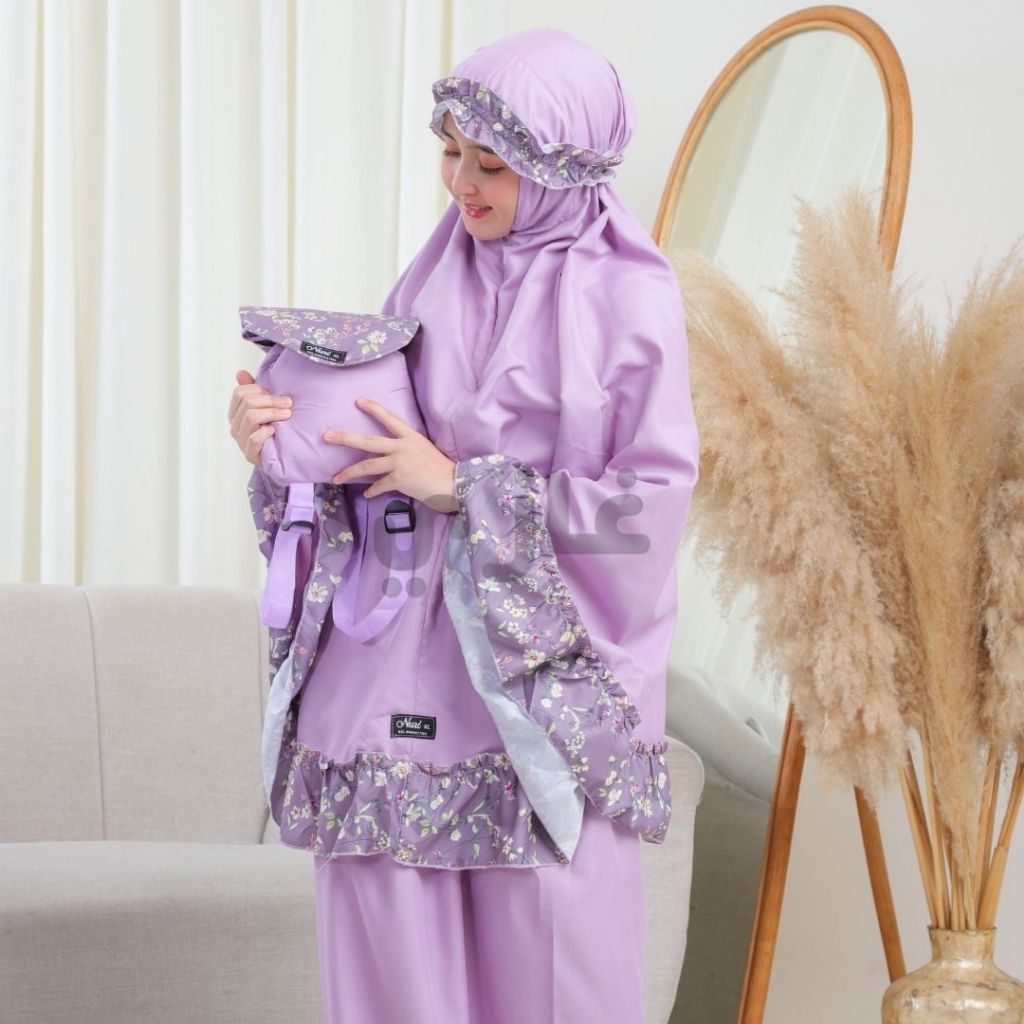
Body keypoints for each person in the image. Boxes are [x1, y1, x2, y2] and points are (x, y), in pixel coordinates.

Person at [227, 26, 699, 1024]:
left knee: (557, 955)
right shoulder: (433, 276)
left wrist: (465, 486)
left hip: (538, 682)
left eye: (491, 163)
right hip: (394, 674)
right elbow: (374, 458)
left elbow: (646, 512)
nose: (462, 185)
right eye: (450, 152)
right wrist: (279, 443)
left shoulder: (630, 297)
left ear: (562, 164)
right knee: (388, 946)